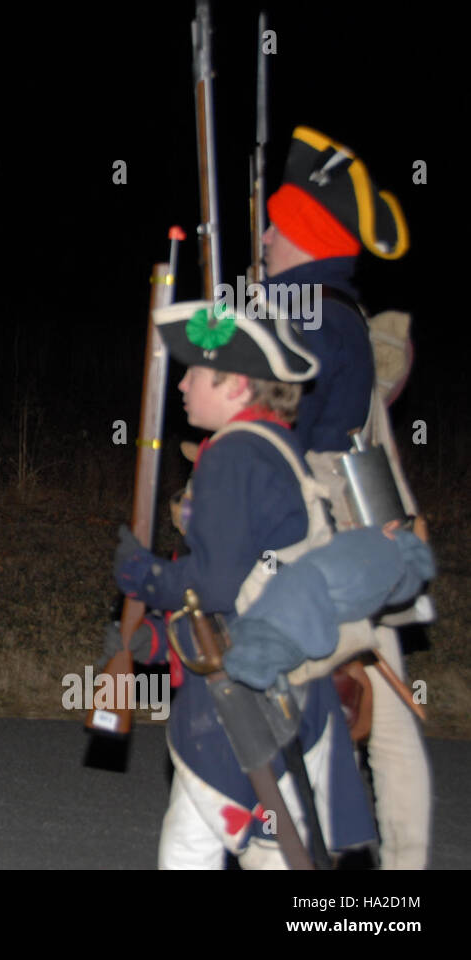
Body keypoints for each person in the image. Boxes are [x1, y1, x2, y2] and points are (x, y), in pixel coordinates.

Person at [114, 296, 376, 868]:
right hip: (279, 679)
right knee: (235, 843)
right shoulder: (277, 445)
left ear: (235, 385)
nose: (182, 385)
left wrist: (149, 576)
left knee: (235, 849)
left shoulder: (233, 455)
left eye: (196, 373)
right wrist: (163, 637)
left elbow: (217, 585)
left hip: (244, 697)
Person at [261, 125, 429, 868]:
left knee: (275, 713)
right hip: (361, 536)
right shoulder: (336, 309)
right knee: (387, 718)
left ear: (305, 232)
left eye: (275, 223)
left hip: (307, 534)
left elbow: (271, 432)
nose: (264, 234)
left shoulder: (299, 314)